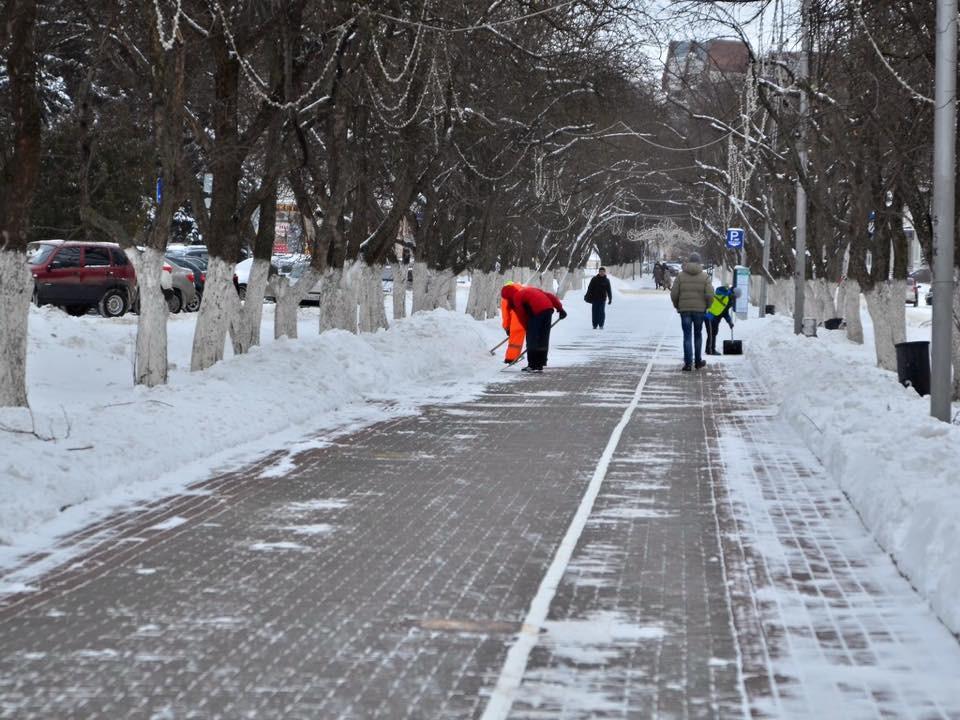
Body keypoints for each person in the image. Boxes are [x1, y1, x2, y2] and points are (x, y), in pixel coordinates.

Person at [501, 283, 566, 372]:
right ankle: (540, 363)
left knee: (532, 339)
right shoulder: (531, 290)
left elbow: (521, 315)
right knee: (543, 337)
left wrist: (527, 328)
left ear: (508, 296)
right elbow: (550, 296)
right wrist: (560, 309)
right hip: (548, 310)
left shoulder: (516, 297)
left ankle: (532, 365)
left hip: (537, 312)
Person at [670, 252, 714, 371]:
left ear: (688, 262)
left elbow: (674, 293)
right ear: (699, 263)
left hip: (685, 310)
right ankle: (698, 361)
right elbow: (710, 294)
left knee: (687, 335)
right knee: (698, 334)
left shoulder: (680, 276)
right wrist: (707, 306)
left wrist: (677, 305)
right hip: (700, 311)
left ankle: (688, 363)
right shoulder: (705, 277)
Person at [704, 285, 741, 355]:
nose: (735, 299)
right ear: (733, 294)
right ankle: (711, 350)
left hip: (715, 316)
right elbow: (718, 290)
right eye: (735, 297)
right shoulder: (724, 294)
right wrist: (728, 293)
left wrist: (729, 322)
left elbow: (725, 312)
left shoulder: (728, 299)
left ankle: (709, 349)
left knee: (713, 333)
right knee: (712, 333)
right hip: (710, 315)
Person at [500, 281, 527, 364]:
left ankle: (510, 358)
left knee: (515, 335)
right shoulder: (522, 289)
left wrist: (507, 327)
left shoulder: (507, 294)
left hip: (518, 315)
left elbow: (506, 314)